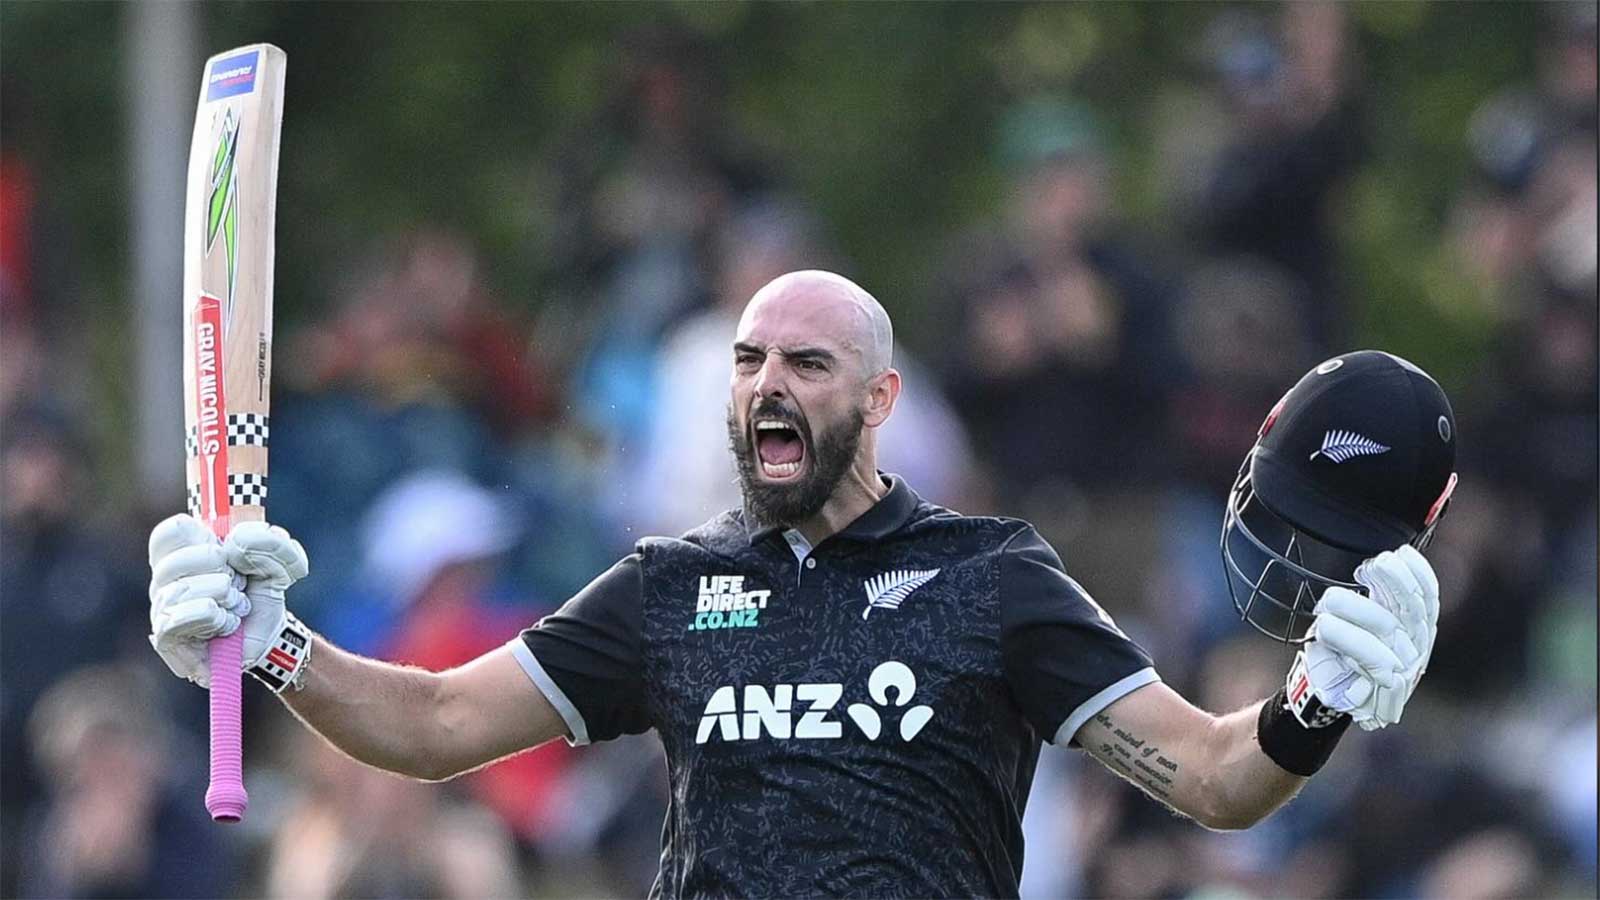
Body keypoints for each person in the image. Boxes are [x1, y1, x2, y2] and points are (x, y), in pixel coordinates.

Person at [147, 271, 1452, 898]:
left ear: (880, 400)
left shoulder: (994, 579)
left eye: (809, 365)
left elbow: (1216, 778)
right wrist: (270, 643)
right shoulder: (668, 587)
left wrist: (1316, 700)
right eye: (749, 360)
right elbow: (433, 726)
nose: (770, 384)